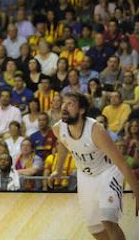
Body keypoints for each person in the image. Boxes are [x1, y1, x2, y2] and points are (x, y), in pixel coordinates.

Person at [48, 92, 139, 240]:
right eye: (63, 103)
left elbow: (121, 162)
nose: (64, 106)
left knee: (107, 219)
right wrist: (57, 171)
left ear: (82, 110)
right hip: (85, 176)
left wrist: (137, 191)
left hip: (107, 173)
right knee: (95, 229)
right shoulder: (59, 128)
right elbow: (64, 144)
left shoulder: (96, 130)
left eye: (70, 103)